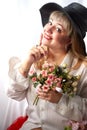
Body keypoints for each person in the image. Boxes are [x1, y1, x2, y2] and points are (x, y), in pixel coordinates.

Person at [7, 2, 87, 130]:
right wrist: (25, 66)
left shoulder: (83, 69)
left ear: (70, 39)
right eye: (50, 22)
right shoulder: (34, 58)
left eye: (58, 29)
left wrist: (60, 99)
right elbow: (14, 94)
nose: (48, 29)